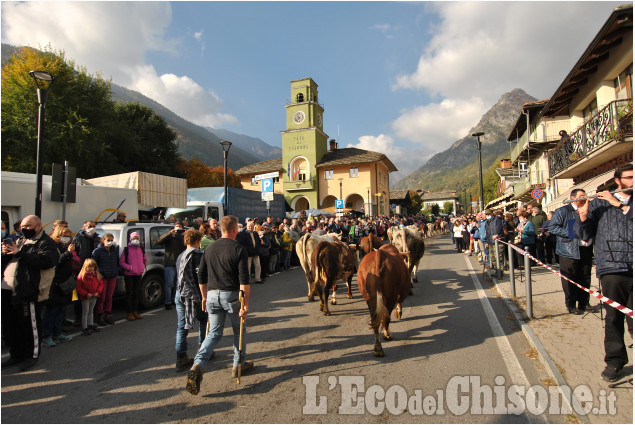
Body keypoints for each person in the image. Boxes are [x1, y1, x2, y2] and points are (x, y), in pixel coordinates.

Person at [575, 164, 633, 382]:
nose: (633, 181)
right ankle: (615, 361)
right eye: (629, 178)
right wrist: (582, 216)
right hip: (612, 267)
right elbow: (585, 237)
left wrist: (617, 204)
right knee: (613, 317)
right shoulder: (598, 204)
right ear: (617, 181)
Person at [186, 215, 252, 395]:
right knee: (239, 330)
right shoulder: (238, 248)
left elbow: (201, 276)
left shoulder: (209, 248)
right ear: (235, 230)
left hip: (213, 294)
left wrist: (205, 296)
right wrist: (245, 303)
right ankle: (238, 364)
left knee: (214, 333)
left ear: (221, 229)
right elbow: (244, 280)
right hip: (231, 295)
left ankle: (198, 364)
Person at [1, 215, 59, 371]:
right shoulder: (21, 241)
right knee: (11, 326)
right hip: (8, 290)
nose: (24, 229)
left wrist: (19, 253)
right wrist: (5, 253)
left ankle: (32, 356)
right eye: (22, 227)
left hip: (28, 290)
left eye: (28, 226)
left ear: (38, 226)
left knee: (29, 326)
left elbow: (45, 262)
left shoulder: (46, 243)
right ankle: (16, 354)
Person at [549, 189, 594, 315]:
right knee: (570, 278)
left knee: (585, 277)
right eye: (581, 196)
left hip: (586, 249)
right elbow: (552, 228)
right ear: (572, 197)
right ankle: (571, 304)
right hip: (568, 251)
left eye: (585, 196)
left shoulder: (590, 209)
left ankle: (584, 303)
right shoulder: (563, 211)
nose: (584, 198)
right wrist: (570, 233)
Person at [174, 228, 208, 372]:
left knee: (181, 327)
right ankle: (202, 350)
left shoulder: (181, 255)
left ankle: (181, 357)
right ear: (197, 241)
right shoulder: (198, 255)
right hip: (195, 294)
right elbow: (200, 277)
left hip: (180, 294)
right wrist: (204, 296)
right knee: (203, 321)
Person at [42, 227, 77, 347]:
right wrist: (67, 253)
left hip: (64, 284)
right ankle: (47, 336)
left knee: (60, 311)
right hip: (54, 284)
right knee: (51, 311)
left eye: (68, 236)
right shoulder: (53, 248)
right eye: (64, 235)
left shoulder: (63, 247)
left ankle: (57, 333)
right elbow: (56, 262)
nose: (67, 238)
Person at [157, 221, 187, 309]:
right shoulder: (170, 236)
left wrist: (184, 236)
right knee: (169, 283)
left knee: (178, 283)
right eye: (176, 226)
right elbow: (159, 241)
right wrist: (170, 234)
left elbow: (186, 246)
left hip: (180, 264)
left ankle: (175, 300)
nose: (178, 228)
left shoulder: (182, 237)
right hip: (170, 263)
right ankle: (167, 302)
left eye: (180, 226)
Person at [92, 233, 119, 326]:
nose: (110, 242)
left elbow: (117, 261)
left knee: (109, 297)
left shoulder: (114, 250)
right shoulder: (97, 251)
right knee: (102, 297)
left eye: (111, 240)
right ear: (103, 240)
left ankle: (108, 314)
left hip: (112, 276)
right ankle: (100, 315)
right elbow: (93, 264)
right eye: (108, 240)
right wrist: (101, 272)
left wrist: (117, 270)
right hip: (102, 277)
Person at [120, 232, 147, 321]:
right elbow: (121, 262)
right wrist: (130, 268)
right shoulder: (127, 250)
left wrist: (143, 266)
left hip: (138, 274)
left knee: (137, 293)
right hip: (129, 274)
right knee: (129, 293)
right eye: (134, 238)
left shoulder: (141, 249)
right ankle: (129, 312)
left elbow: (144, 259)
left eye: (137, 238)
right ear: (130, 239)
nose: (136, 240)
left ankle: (135, 311)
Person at [76, 258, 104, 336]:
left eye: (93, 266)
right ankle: (84, 327)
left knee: (91, 310)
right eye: (89, 266)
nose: (91, 268)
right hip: (86, 297)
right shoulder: (81, 276)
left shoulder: (96, 275)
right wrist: (86, 294)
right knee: (85, 311)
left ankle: (90, 324)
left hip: (94, 295)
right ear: (85, 267)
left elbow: (101, 284)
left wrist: (98, 292)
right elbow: (78, 288)